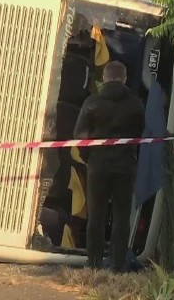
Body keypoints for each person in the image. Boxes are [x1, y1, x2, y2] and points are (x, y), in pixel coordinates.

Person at [73, 61, 145, 272]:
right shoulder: (136, 104)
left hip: (98, 166)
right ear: (124, 79)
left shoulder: (91, 103)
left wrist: (90, 159)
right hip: (125, 166)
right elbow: (140, 134)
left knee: (95, 215)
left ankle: (93, 263)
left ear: (104, 78)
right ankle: (117, 265)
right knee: (122, 217)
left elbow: (80, 137)